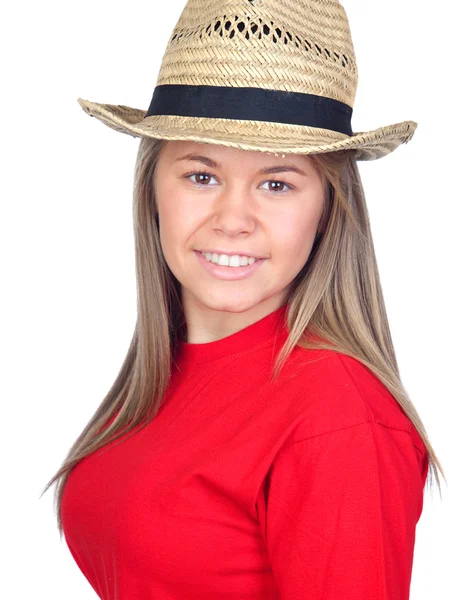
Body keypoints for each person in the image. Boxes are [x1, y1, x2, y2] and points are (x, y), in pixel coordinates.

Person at [41, 0, 445, 598]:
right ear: (153, 187)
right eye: (201, 175)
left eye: (277, 183)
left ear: (329, 207)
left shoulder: (334, 416)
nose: (234, 220)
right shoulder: (162, 376)